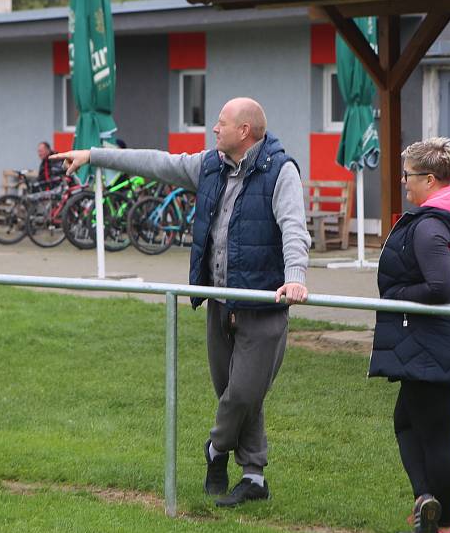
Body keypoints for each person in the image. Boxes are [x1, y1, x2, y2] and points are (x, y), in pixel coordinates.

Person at [53, 97, 311, 507]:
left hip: (263, 304)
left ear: (244, 131)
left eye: (221, 123)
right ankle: (254, 478)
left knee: (243, 395)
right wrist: (93, 155)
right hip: (218, 301)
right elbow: (157, 162)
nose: (214, 129)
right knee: (234, 392)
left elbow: (295, 229)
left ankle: (215, 450)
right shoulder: (209, 165)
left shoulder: (282, 172)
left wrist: (296, 278)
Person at [368, 137, 450, 533]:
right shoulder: (445, 219)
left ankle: (442, 521)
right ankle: (427, 503)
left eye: (408, 176)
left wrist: (395, 294)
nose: (404, 183)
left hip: (432, 340)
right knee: (410, 422)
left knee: (433, 434)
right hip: (436, 341)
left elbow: (441, 286)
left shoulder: (432, 225)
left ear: (430, 179)